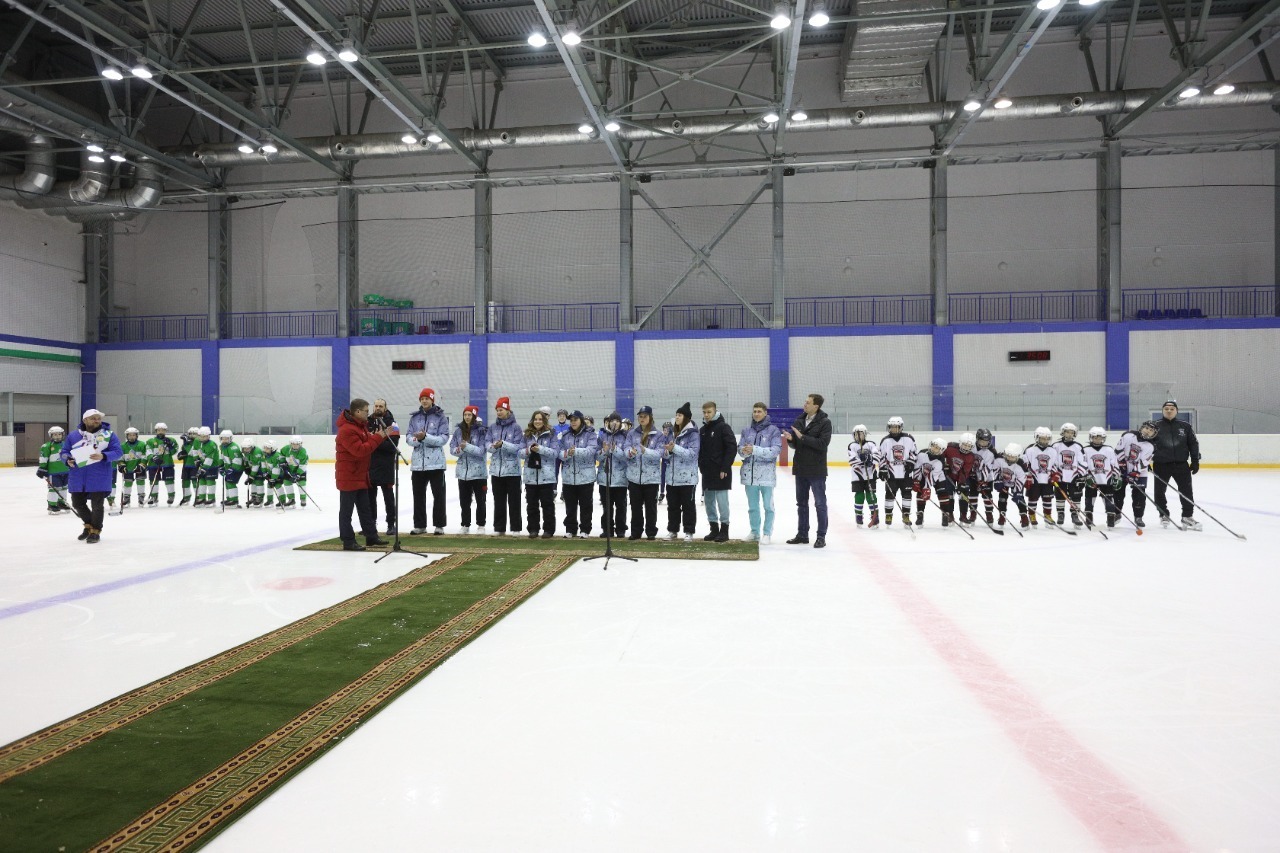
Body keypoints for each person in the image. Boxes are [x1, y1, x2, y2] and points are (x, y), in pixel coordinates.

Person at [60, 409, 123, 543]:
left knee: (97, 506)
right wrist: (67, 459)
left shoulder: (108, 435)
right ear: (85, 420)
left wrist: (103, 456)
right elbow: (64, 452)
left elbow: (118, 452)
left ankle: (95, 531)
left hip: (99, 476)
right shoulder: (73, 436)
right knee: (77, 503)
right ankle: (89, 525)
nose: (97, 421)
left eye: (98, 418)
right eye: (93, 418)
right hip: (78, 476)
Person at [335, 398, 390, 551]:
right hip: (349, 476)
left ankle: (371, 536)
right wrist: (378, 437)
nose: (368, 413)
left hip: (359, 475)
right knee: (346, 511)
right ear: (358, 412)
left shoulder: (360, 427)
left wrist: (378, 436)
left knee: (365, 508)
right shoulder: (347, 430)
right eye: (366, 411)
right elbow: (360, 450)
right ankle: (348, 541)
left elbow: (367, 444)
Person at [783, 394, 832, 548]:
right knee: (802, 504)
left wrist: (802, 437)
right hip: (801, 468)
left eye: (808, 402)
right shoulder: (799, 420)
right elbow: (796, 445)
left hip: (816, 470)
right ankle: (802, 534)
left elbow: (822, 444)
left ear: (816, 406)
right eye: (805, 402)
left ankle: (821, 536)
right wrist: (791, 440)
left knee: (820, 504)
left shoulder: (825, 422)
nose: (805, 404)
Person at [1152, 399, 1202, 530]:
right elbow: (1146, 444)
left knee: (1186, 491)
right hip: (1161, 465)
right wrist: (1144, 460)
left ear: (1176, 411)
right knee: (1159, 492)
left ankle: (1187, 516)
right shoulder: (1155, 426)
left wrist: (1195, 460)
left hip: (1181, 465)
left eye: (1172, 409)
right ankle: (1163, 514)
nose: (1169, 411)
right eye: (1166, 409)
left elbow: (1193, 443)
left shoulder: (1185, 426)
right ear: (1162, 411)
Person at [407, 388, 450, 535]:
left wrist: (426, 437)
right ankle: (420, 525)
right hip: (418, 465)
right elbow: (408, 437)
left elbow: (443, 438)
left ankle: (439, 525)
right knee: (418, 496)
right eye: (422, 399)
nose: (424, 401)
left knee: (439, 495)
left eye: (427, 398)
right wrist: (417, 440)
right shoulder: (414, 418)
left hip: (436, 464)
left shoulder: (441, 417)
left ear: (432, 400)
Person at [739, 402, 782, 543]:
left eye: (759, 411)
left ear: (765, 413)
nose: (756, 414)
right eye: (754, 411)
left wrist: (755, 450)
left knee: (768, 506)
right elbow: (740, 448)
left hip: (766, 476)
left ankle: (767, 533)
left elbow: (775, 451)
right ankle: (754, 532)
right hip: (749, 476)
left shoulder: (773, 431)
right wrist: (744, 451)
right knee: (752, 507)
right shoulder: (746, 430)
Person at [698, 401, 737, 541]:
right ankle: (714, 529)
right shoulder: (702, 430)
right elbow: (700, 451)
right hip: (707, 472)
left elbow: (732, 447)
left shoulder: (723, 427)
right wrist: (701, 466)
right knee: (709, 502)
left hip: (721, 472)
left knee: (722, 502)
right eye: (704, 412)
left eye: (709, 412)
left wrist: (725, 467)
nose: (706, 415)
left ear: (715, 411)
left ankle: (724, 530)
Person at [663, 402, 701, 541]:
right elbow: (665, 454)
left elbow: (692, 454)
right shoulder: (672, 433)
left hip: (687, 479)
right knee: (672, 506)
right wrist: (668, 452)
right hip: (672, 478)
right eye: (676, 415)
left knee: (688, 506)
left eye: (679, 415)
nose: (677, 417)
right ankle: (673, 530)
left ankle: (689, 531)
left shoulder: (693, 434)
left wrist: (675, 449)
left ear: (686, 418)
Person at [625, 406, 663, 540]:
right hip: (634, 477)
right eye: (640, 416)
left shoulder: (658, 435)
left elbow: (660, 453)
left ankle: (651, 531)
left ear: (650, 417)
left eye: (645, 416)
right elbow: (626, 448)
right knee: (635, 507)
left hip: (651, 478)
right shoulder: (631, 434)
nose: (642, 419)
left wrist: (646, 451)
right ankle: (636, 531)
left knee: (650, 507)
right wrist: (630, 453)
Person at [450, 405, 489, 534]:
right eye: (465, 415)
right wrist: (460, 449)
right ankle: (465, 524)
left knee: (480, 500)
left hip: (479, 473)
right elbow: (452, 449)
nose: (467, 417)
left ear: (474, 416)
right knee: (464, 501)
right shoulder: (458, 431)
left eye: (469, 415)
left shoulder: (481, 431)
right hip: (463, 473)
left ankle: (481, 525)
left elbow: (481, 451)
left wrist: (466, 446)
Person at [521, 408, 559, 538]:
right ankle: (533, 529)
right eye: (535, 419)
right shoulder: (526, 435)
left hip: (546, 476)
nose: (538, 421)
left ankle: (548, 529)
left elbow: (555, 453)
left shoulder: (551, 434)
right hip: (530, 476)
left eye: (540, 419)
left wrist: (540, 449)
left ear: (544, 420)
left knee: (547, 505)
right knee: (531, 505)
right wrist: (529, 450)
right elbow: (519, 453)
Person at [488, 397, 524, 536]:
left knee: (514, 501)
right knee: (499, 501)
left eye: (501, 410)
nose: (499, 412)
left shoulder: (516, 428)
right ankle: (499, 528)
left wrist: (503, 444)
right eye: (497, 410)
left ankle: (516, 528)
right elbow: (487, 443)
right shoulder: (492, 427)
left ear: (508, 411)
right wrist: (493, 446)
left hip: (512, 471)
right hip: (496, 471)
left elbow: (518, 447)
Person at [558, 410, 597, 538]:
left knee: (586, 506)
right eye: (571, 420)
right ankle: (570, 529)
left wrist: (575, 451)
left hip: (586, 477)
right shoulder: (565, 435)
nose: (573, 422)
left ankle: (585, 529)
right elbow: (559, 453)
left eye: (576, 420)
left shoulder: (590, 434)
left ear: (581, 421)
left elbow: (591, 451)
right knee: (570, 506)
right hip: (568, 477)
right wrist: (567, 454)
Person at [1115, 420, 1157, 528]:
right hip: (1121, 468)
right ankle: (1116, 513)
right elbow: (1118, 451)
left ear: (1154, 434)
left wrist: (1134, 473)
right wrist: (1122, 467)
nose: (1148, 431)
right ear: (1142, 427)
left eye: (1151, 430)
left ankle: (1138, 517)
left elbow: (1143, 463)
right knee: (1118, 491)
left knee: (1139, 495)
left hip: (1140, 472)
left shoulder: (1151, 446)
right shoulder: (1128, 435)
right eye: (1146, 428)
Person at [366, 399, 400, 534]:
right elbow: (364, 442)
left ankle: (391, 525)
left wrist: (375, 439)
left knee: (389, 498)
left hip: (386, 466)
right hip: (370, 465)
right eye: (376, 406)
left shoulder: (392, 424)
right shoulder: (367, 422)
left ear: (385, 408)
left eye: (381, 406)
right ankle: (371, 524)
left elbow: (392, 446)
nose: (378, 408)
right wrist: (378, 440)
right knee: (370, 498)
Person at [878, 416, 917, 528]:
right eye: (892, 427)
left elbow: (914, 452)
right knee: (889, 495)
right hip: (891, 473)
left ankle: (906, 516)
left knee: (907, 495)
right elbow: (881, 456)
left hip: (906, 473)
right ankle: (888, 515)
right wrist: (882, 468)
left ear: (901, 427)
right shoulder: (885, 440)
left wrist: (911, 462)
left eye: (896, 427)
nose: (894, 429)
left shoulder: (909, 438)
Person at [596, 412, 630, 538]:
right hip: (605, 478)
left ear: (620, 423)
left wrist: (615, 450)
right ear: (608, 422)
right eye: (612, 420)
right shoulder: (602, 436)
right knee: (607, 506)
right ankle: (607, 529)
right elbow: (596, 457)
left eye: (617, 420)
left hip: (620, 479)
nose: (614, 422)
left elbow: (627, 458)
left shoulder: (625, 436)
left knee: (621, 506)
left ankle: (620, 529)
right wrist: (604, 451)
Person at [1081, 426, 1121, 528]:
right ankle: (1089, 518)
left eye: (1100, 438)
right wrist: (1086, 476)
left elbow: (1115, 464)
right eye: (1095, 438)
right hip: (1091, 479)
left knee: (1109, 500)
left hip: (1106, 479)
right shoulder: (1085, 450)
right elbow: (1082, 464)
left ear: (1103, 438)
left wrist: (1117, 477)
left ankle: (1110, 519)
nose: (1097, 440)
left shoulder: (1109, 449)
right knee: (1089, 500)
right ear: (1091, 437)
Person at [1020, 427, 1061, 527]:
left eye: (1047, 439)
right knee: (1033, 498)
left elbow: (1055, 464)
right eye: (1043, 438)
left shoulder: (1052, 451)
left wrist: (1055, 474)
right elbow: (1024, 464)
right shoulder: (1030, 449)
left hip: (1047, 479)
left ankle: (1048, 515)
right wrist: (1027, 476)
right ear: (1037, 438)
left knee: (1048, 499)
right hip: (1034, 479)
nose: (1045, 441)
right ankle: (1032, 515)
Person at [1052, 423, 1087, 528]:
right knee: (1060, 496)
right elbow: (1053, 460)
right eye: (1067, 432)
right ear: (1063, 432)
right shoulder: (1056, 445)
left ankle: (1075, 515)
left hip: (1074, 476)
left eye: (1072, 432)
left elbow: (1082, 461)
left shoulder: (1078, 446)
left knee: (1076, 496)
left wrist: (1081, 475)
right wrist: (1054, 473)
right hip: (1060, 476)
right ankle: (1060, 514)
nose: (1069, 434)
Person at [989, 442, 1031, 529]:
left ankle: (1024, 517)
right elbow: (996, 470)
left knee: (1019, 499)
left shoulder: (1021, 465)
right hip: (1003, 482)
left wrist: (1018, 492)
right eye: (1008, 456)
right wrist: (997, 481)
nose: (1010, 458)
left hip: (1015, 483)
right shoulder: (999, 459)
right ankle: (1002, 515)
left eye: (1013, 457)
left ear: (1018, 456)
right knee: (1002, 498)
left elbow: (1020, 479)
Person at [941, 433, 980, 527]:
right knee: (949, 495)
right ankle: (950, 514)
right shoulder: (950, 448)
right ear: (960, 443)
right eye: (964, 445)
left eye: (969, 446)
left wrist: (961, 483)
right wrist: (943, 465)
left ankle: (963, 515)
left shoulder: (971, 456)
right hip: (949, 475)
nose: (966, 448)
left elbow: (965, 471)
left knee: (964, 494)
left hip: (962, 476)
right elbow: (940, 456)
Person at [847, 424, 880, 528]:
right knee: (859, 496)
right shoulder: (852, 446)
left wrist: (869, 459)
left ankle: (875, 516)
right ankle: (859, 516)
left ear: (865, 434)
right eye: (856, 434)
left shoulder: (871, 444)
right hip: (857, 476)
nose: (858, 436)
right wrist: (863, 460)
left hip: (870, 475)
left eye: (860, 434)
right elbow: (852, 461)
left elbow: (877, 457)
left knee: (871, 496)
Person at [37, 426, 71, 514]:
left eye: (59, 434)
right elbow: (43, 458)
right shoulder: (47, 446)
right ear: (51, 436)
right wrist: (42, 468)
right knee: (54, 489)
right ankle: (52, 505)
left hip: (66, 471)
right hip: (53, 472)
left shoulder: (66, 445)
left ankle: (61, 503)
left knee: (64, 488)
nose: (57, 436)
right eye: (55, 434)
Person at [145, 423, 178, 505]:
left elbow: (174, 452)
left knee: (169, 480)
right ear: (156, 431)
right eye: (159, 430)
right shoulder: (150, 441)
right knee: (154, 481)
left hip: (167, 463)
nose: (161, 432)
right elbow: (148, 451)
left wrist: (170, 446)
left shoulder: (171, 440)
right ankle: (154, 497)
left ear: (165, 431)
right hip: (153, 464)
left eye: (163, 430)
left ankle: (171, 495)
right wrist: (153, 457)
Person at [972, 428, 998, 525]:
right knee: (972, 495)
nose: (984, 443)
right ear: (977, 439)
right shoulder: (972, 447)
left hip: (987, 478)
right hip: (972, 476)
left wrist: (982, 480)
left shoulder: (991, 452)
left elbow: (988, 467)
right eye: (982, 441)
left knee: (987, 495)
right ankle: (973, 513)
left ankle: (989, 514)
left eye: (986, 441)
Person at [117, 427, 147, 507]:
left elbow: (145, 456)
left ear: (137, 436)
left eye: (133, 435)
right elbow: (120, 458)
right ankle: (126, 498)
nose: (132, 437)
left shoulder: (142, 444)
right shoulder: (123, 446)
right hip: (128, 467)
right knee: (127, 482)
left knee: (140, 481)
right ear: (127, 436)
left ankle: (141, 497)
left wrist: (142, 465)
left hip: (140, 467)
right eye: (130, 435)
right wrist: (121, 465)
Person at [192, 426, 220, 508]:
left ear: (208, 436)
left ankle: (211, 499)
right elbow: (195, 450)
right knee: (201, 481)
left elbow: (209, 459)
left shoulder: (211, 445)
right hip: (202, 465)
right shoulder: (196, 441)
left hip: (212, 466)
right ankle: (202, 498)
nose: (202, 438)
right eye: (201, 436)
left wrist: (203, 469)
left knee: (210, 481)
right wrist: (196, 459)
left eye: (204, 436)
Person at [280, 437, 309, 507]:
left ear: (300, 444)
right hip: (289, 470)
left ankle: (303, 499)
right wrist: (282, 462)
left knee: (302, 483)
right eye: (293, 444)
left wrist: (298, 474)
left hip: (300, 471)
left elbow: (303, 465)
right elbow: (281, 455)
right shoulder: (286, 448)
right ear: (290, 444)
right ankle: (291, 500)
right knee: (286, 483)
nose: (295, 445)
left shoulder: (303, 452)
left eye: (297, 444)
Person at [218, 430, 244, 507]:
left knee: (231, 482)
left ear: (230, 439)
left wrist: (232, 469)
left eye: (226, 439)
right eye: (223, 439)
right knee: (227, 482)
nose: (224, 440)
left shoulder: (233, 448)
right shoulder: (222, 446)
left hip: (236, 468)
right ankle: (229, 499)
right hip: (229, 467)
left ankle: (234, 500)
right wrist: (221, 466)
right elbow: (222, 457)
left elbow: (237, 461)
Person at [177, 426, 200, 505]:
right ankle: (186, 497)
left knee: (195, 481)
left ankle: (198, 497)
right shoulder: (186, 443)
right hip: (186, 465)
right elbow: (184, 452)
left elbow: (191, 452)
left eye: (195, 434)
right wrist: (180, 455)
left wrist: (186, 443)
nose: (192, 435)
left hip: (195, 465)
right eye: (190, 434)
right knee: (185, 481)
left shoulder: (199, 442)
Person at [241, 438, 262, 506]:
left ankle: (260, 498)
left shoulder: (257, 452)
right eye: (244, 448)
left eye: (248, 448)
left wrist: (251, 476)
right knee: (253, 482)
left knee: (259, 482)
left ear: (252, 447)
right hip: (253, 469)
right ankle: (253, 497)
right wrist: (247, 467)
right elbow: (246, 460)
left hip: (260, 469)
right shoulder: (246, 452)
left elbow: (256, 465)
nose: (246, 449)